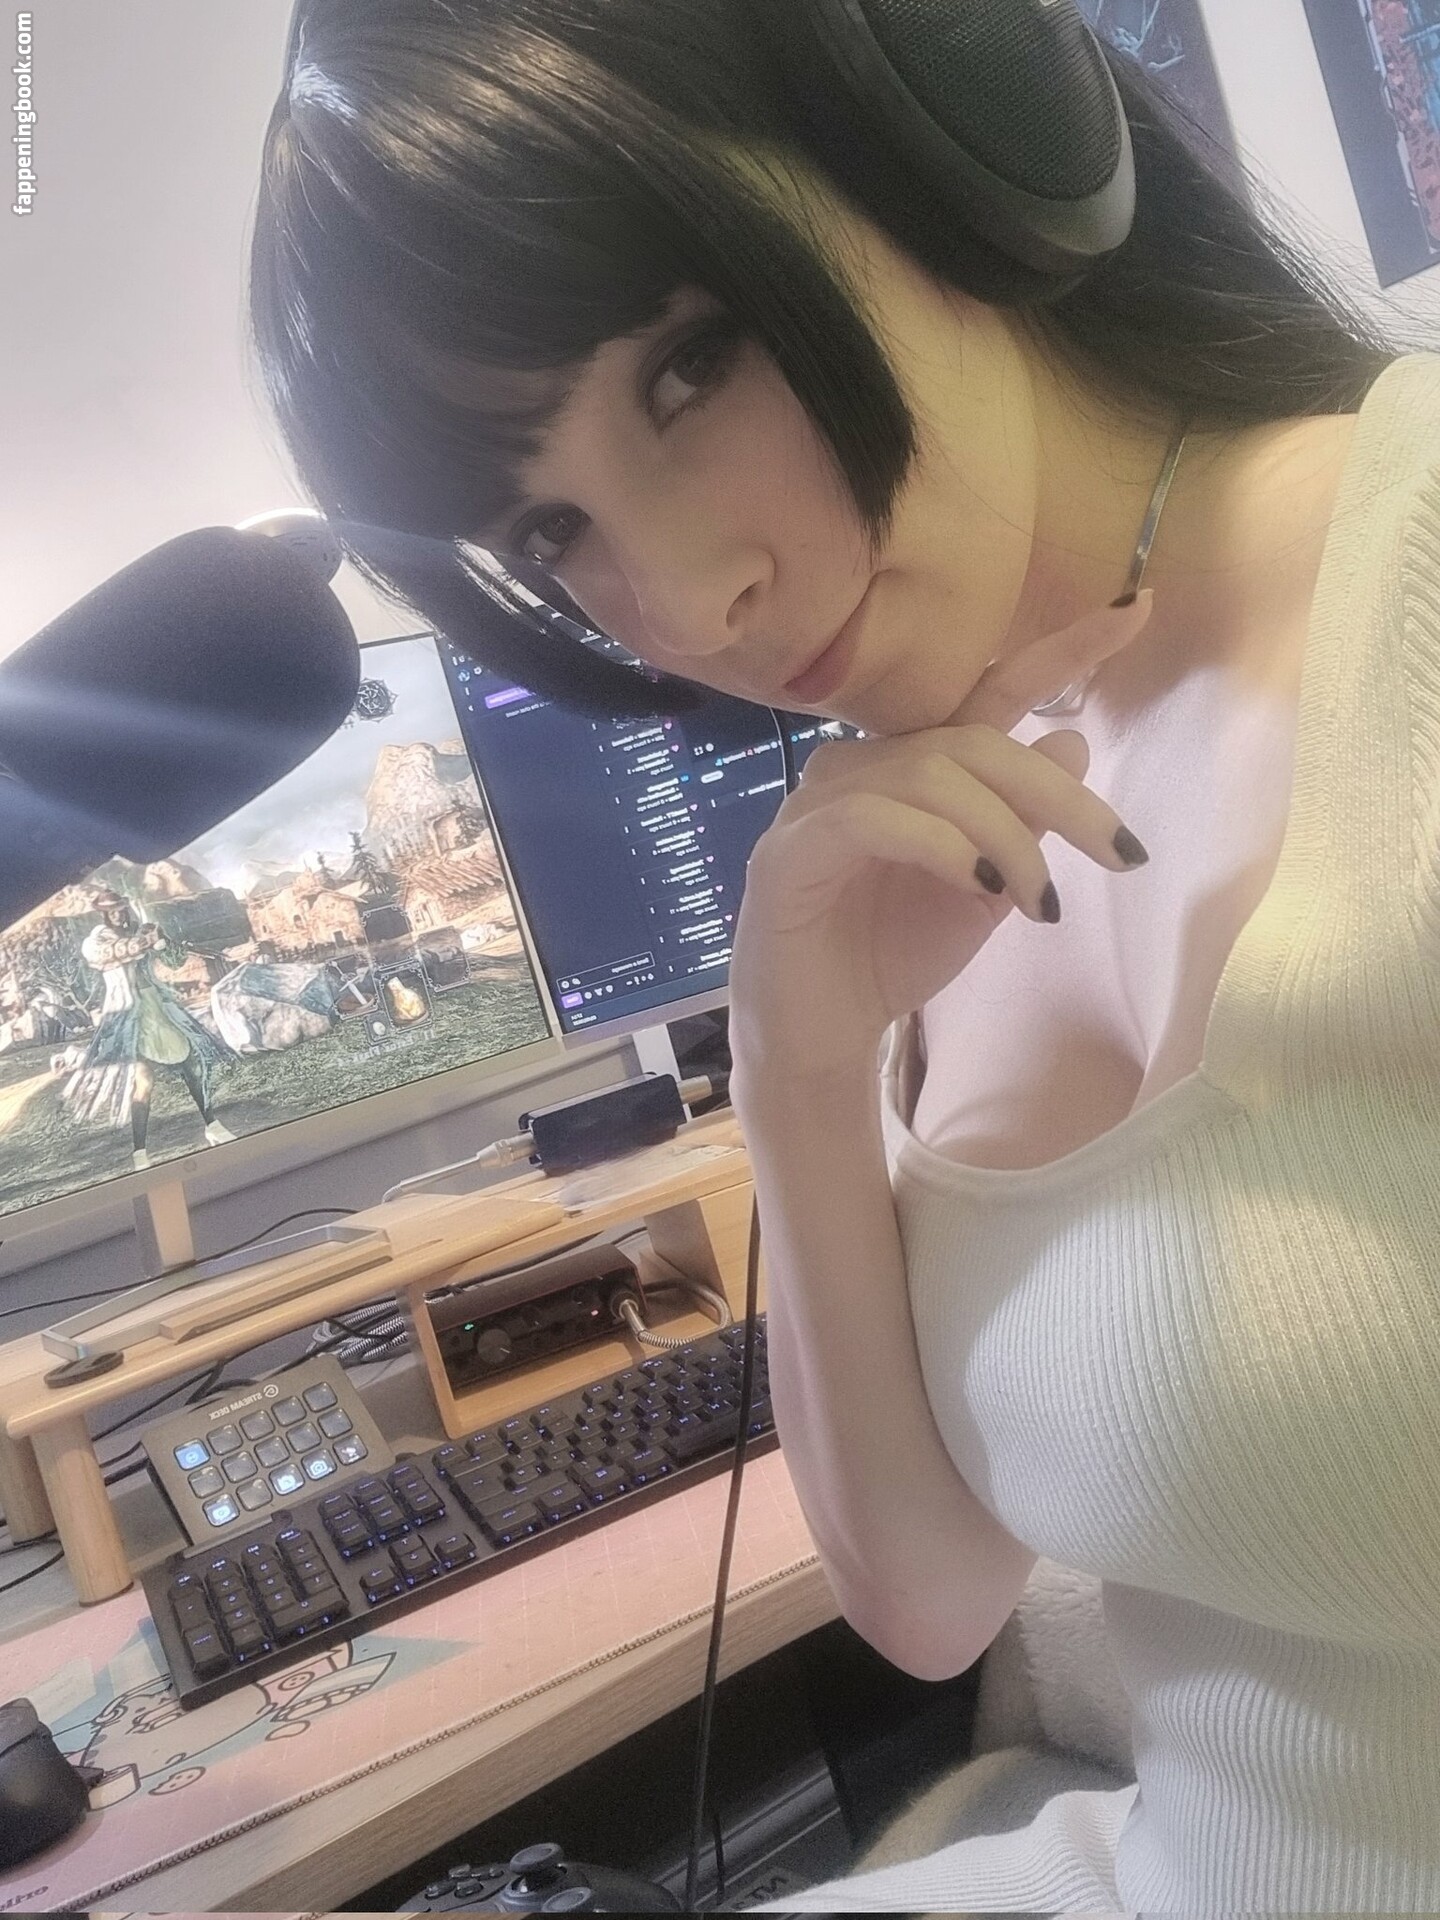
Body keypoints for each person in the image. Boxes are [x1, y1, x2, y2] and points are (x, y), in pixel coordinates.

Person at [246, 2, 1440, 1909]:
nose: (686, 607)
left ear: (955, 122)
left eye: (691, 362)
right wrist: (797, 1072)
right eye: (549, 531)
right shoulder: (918, 837)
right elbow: (931, 1602)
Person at [60, 891, 236, 1171]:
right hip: (127, 1014)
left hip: (156, 1005)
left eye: (120, 908)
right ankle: (140, 1153)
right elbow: (113, 953)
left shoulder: (141, 929)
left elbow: (175, 960)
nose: (118, 914)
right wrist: (144, 940)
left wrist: (161, 941)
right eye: (111, 911)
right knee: (143, 1081)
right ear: (103, 914)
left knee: (192, 1064)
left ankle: (212, 1125)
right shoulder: (96, 940)